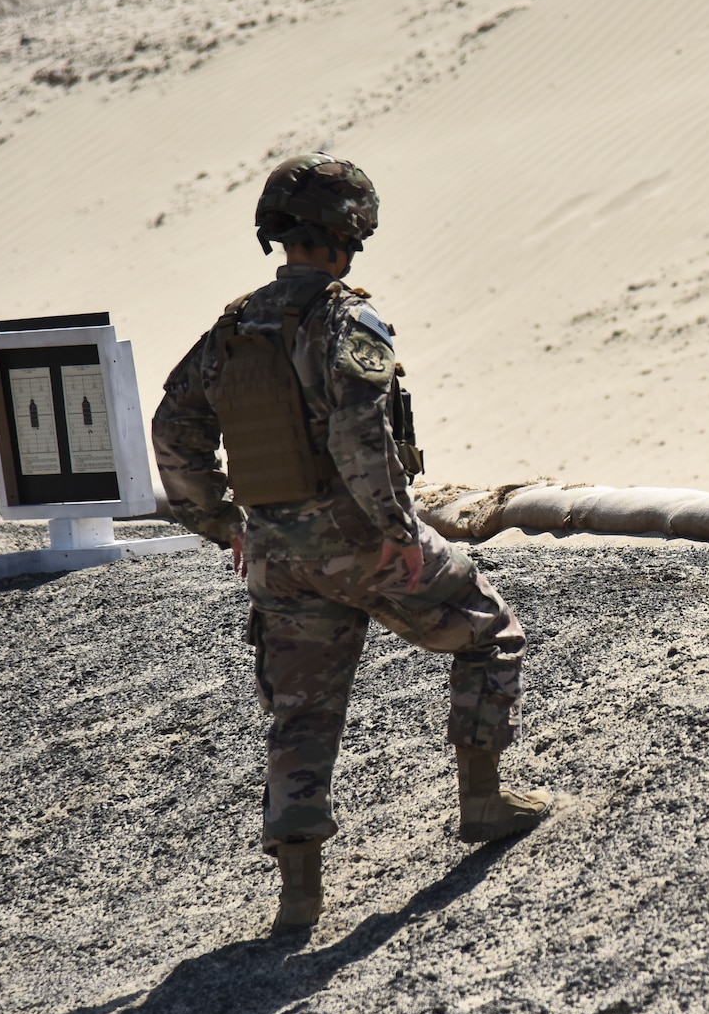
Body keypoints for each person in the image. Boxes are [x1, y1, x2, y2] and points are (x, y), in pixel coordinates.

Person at [152, 153, 551, 934]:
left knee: (301, 711)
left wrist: (225, 523)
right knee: (487, 628)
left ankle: (299, 896)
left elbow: (174, 435)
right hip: (358, 542)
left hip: (276, 556)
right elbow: (362, 437)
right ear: (350, 231)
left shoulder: (231, 329)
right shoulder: (347, 321)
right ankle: (482, 802)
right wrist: (401, 537)